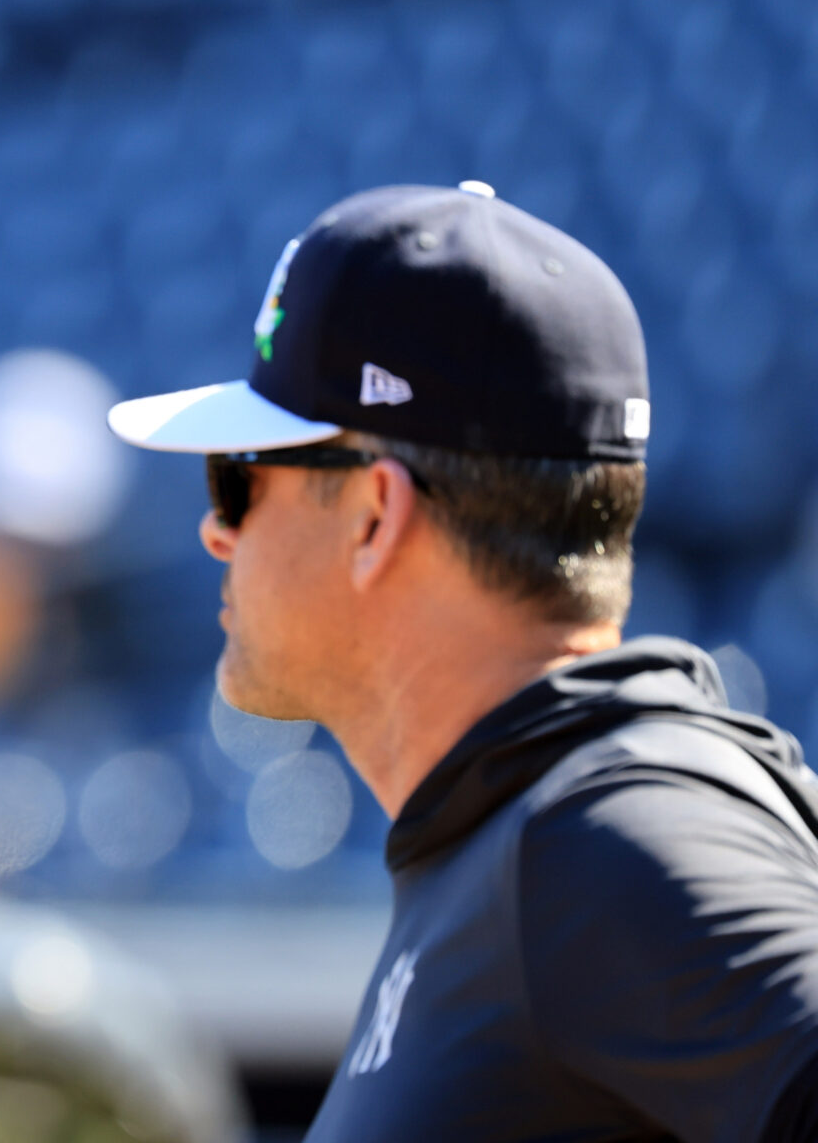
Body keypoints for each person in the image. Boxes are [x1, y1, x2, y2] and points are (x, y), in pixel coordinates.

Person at [108, 182, 818, 1140]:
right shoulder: (513, 835)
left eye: (240, 480)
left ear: (374, 515)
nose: (214, 531)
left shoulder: (610, 835)